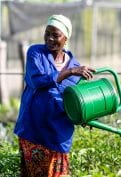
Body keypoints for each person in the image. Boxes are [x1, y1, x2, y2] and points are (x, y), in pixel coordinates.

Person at [14, 14, 95, 177]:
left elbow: (71, 100)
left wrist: (84, 114)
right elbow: (37, 81)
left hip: (59, 135)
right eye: (47, 33)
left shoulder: (75, 66)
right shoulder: (36, 53)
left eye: (56, 35)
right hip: (34, 131)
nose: (50, 38)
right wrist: (67, 73)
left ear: (66, 38)